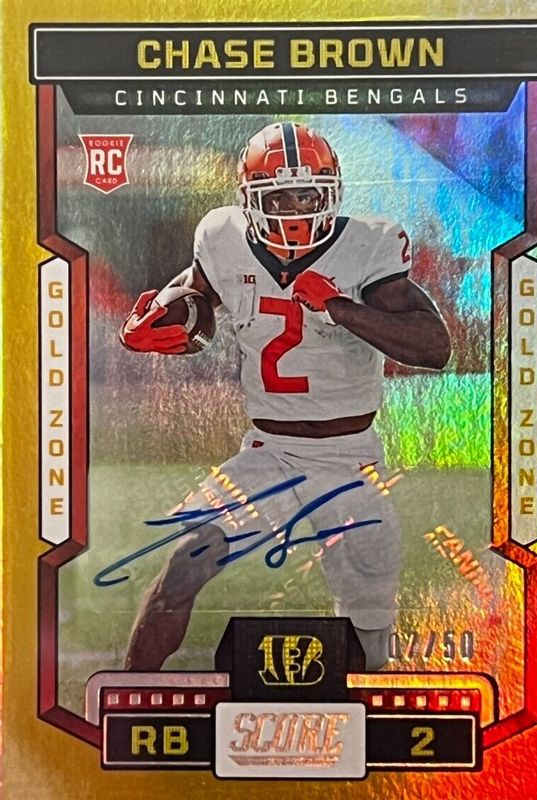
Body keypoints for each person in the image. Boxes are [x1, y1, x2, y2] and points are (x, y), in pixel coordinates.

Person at [120, 121, 451, 671]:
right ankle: (125, 696)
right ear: (250, 199)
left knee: (369, 615)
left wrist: (340, 308)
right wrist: (156, 322)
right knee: (184, 563)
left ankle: (367, 712)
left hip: (351, 459)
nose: (295, 211)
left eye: (308, 196)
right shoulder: (223, 237)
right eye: (279, 197)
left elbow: (434, 347)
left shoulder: (367, 246)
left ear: (332, 193)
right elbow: (195, 297)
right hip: (268, 452)